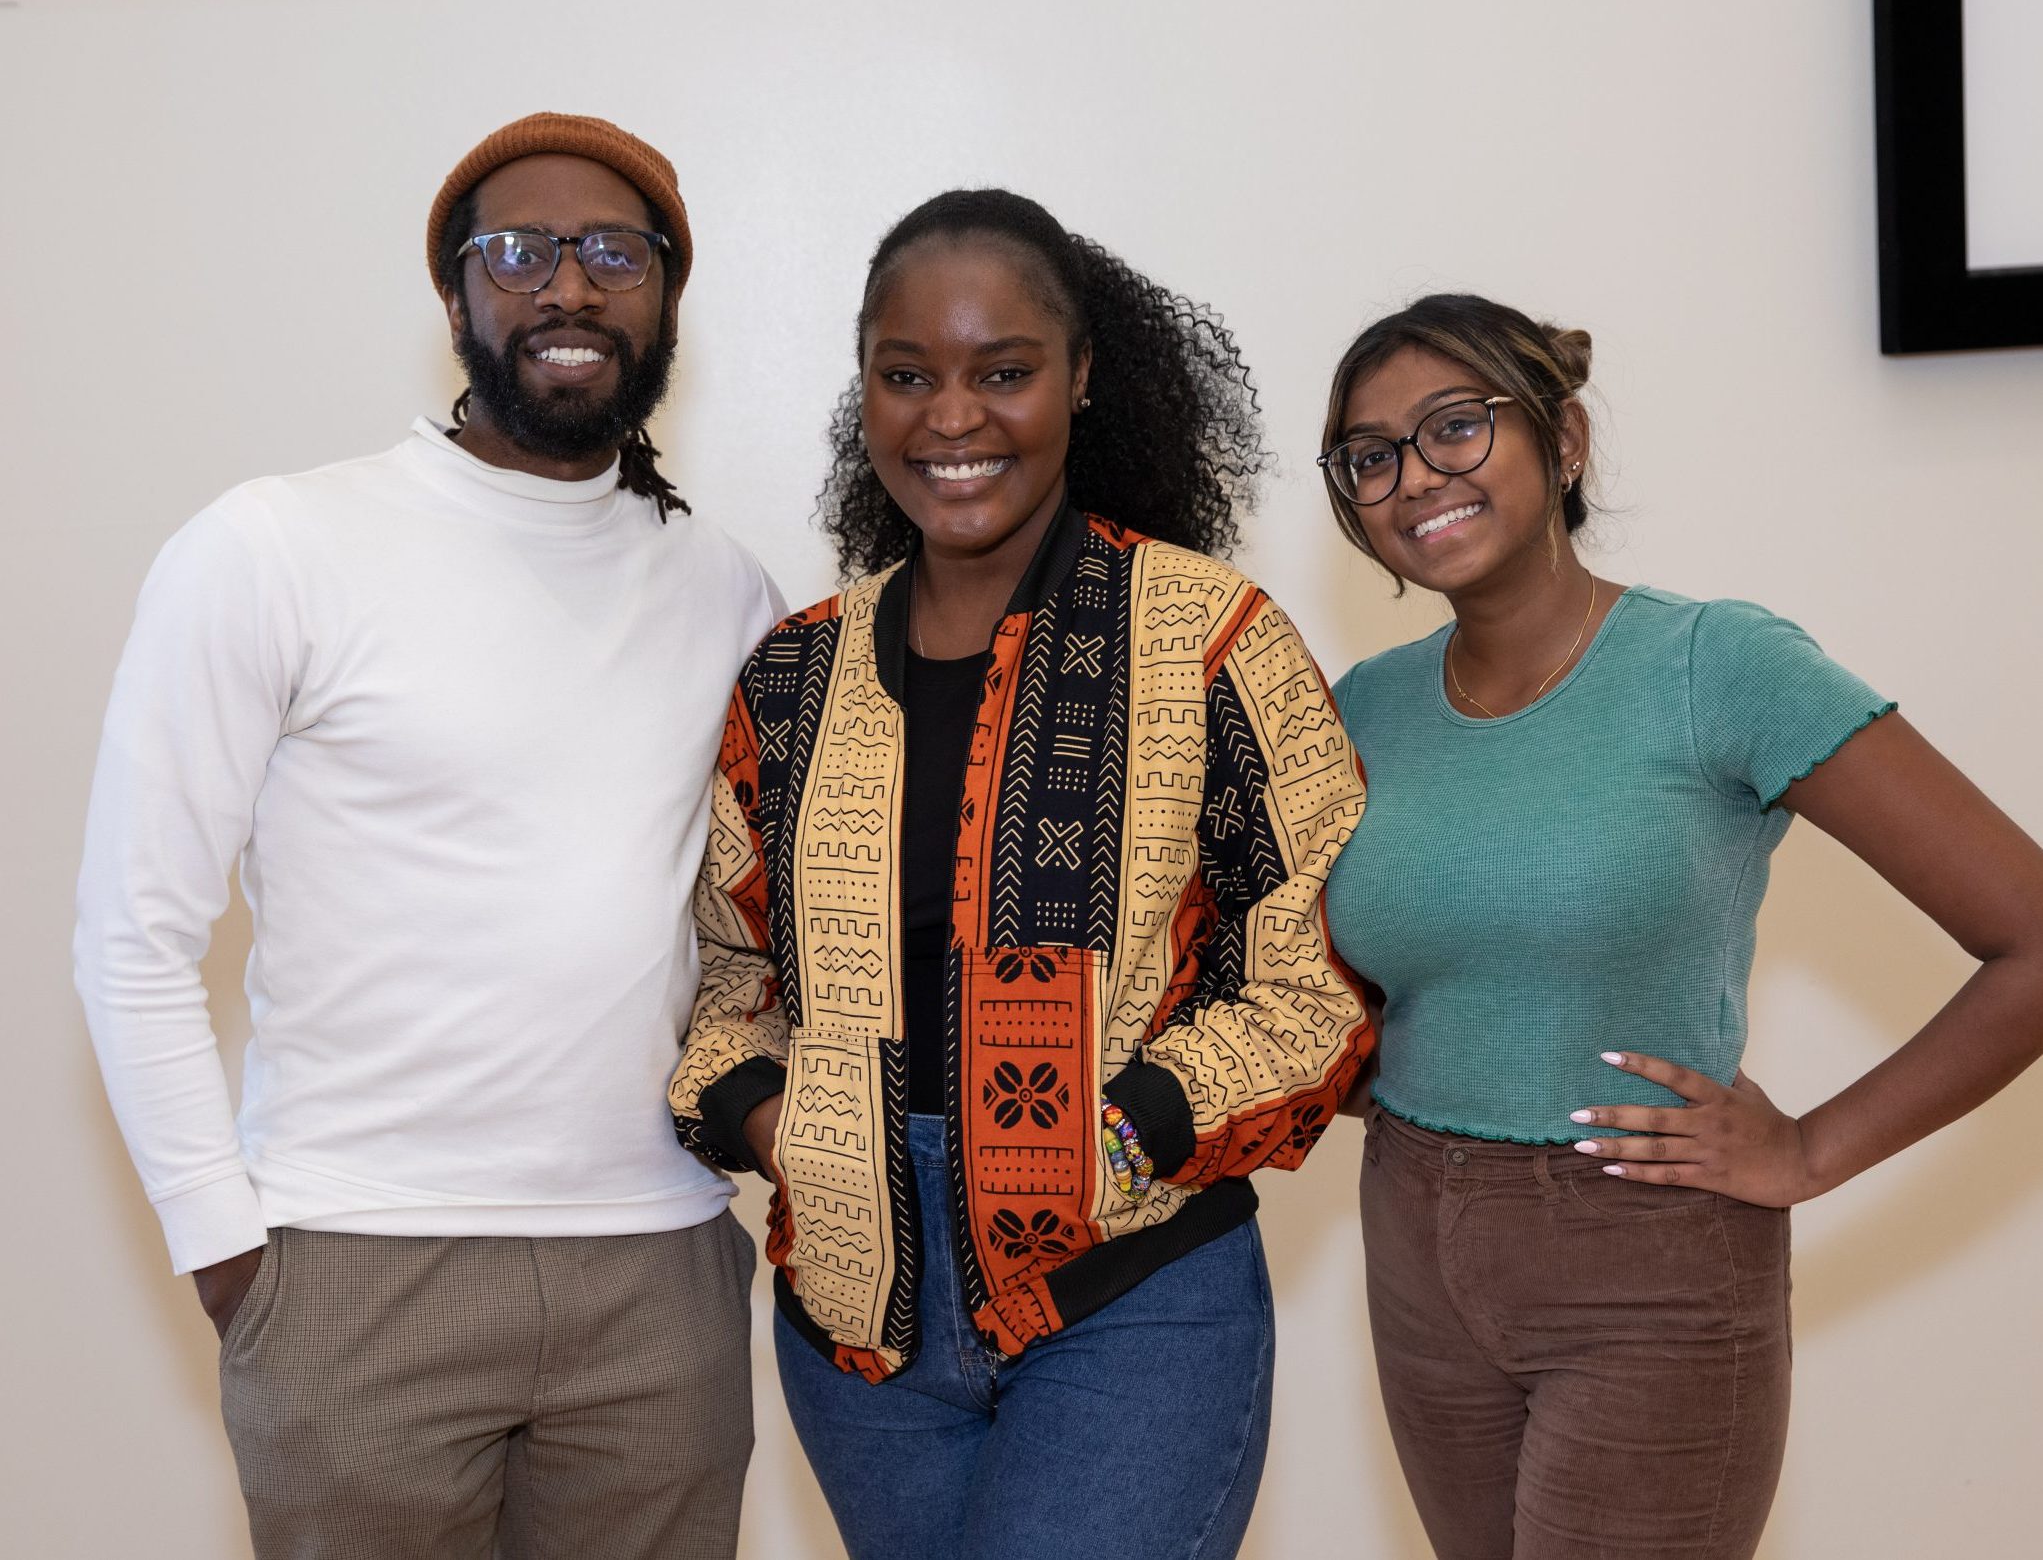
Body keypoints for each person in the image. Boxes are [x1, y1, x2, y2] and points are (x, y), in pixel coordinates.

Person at [74, 113, 782, 1560]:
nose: (567, 290)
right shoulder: (274, 546)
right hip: (353, 1262)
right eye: (518, 252)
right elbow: (132, 931)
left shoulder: (728, 590)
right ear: (455, 293)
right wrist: (227, 1251)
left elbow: (758, 934)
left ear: (664, 297)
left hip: (657, 1270)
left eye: (612, 254)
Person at [669, 188, 1371, 1560]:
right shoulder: (795, 675)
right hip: (857, 1325)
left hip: (1130, 1294)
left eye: (1003, 371)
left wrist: (1124, 1127)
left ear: (1080, 377)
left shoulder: (1208, 639)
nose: (951, 418)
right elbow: (732, 970)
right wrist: (771, 1119)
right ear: (862, 390)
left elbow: (1315, 972)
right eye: (907, 374)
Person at [1314, 293, 2043, 1560]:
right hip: (1415, 1245)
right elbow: (1372, 970)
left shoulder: (1719, 664)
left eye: (1456, 427)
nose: (1412, 477)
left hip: (1645, 1258)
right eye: (1370, 456)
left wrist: (1810, 1149)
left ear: (1566, 440)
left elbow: (2031, 934)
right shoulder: (1364, 707)